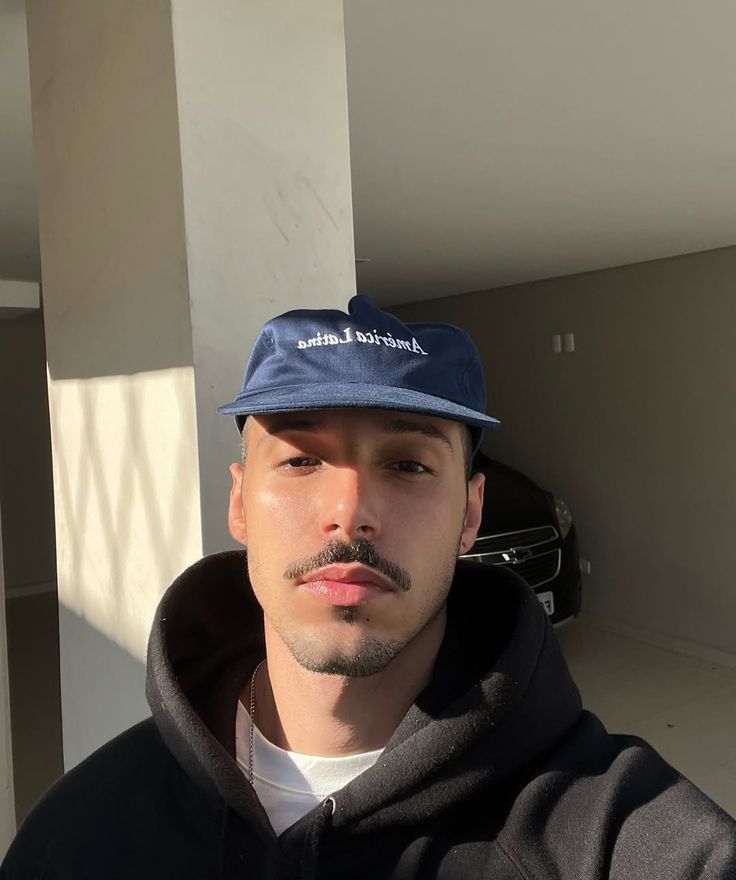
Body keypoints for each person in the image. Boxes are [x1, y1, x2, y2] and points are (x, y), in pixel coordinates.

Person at [2, 294, 735, 879]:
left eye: (408, 464)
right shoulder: (83, 832)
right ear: (239, 503)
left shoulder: (620, 834)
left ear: (470, 513)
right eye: (300, 460)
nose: (349, 511)